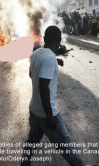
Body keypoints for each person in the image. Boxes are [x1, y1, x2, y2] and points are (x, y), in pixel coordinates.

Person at [21, 26, 84, 166]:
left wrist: (55, 62)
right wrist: (49, 116)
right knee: (66, 147)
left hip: (34, 110)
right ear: (60, 40)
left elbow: (32, 75)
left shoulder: (36, 53)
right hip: (46, 114)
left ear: (44, 39)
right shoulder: (49, 58)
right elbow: (44, 87)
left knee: (31, 143)